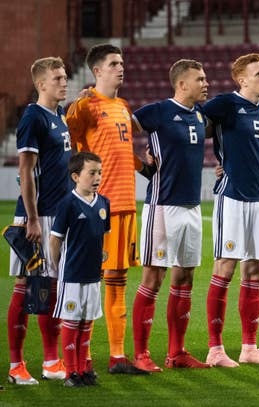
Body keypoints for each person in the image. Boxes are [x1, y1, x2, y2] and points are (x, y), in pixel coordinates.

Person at [66, 43, 147, 374]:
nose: (121, 68)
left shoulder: (123, 105)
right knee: (88, 283)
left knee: (117, 281)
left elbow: (124, 149)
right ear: (97, 70)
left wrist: (146, 166)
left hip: (126, 205)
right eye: (114, 63)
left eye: (122, 63)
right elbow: (66, 140)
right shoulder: (84, 106)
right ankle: (80, 360)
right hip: (97, 210)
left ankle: (117, 357)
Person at [130, 59, 211, 372]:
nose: (205, 83)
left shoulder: (200, 115)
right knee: (154, 277)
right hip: (162, 206)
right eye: (199, 79)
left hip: (192, 206)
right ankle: (141, 354)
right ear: (181, 84)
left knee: (185, 277)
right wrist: (141, 165)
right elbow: (120, 132)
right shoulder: (158, 111)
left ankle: (176, 352)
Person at [202, 53, 259, 366]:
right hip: (232, 197)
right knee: (225, 267)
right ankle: (215, 349)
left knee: (255, 270)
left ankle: (249, 349)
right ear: (242, 79)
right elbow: (191, 120)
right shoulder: (224, 103)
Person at [7, 56, 71, 385]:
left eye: (65, 77)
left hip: (57, 215)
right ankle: (16, 366)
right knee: (27, 288)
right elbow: (26, 170)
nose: (64, 82)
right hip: (36, 216)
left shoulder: (59, 115)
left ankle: (50, 361)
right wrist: (31, 219)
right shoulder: (33, 117)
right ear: (41, 84)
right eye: (58, 78)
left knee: (50, 290)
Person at [50, 152, 110, 387]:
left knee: (86, 321)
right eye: (92, 173)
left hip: (93, 276)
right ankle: (71, 372)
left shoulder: (104, 203)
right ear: (76, 176)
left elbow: (102, 235)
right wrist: (58, 269)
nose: (97, 177)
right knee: (72, 321)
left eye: (100, 172)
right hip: (72, 276)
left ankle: (84, 369)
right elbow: (55, 241)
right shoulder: (67, 204)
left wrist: (101, 256)